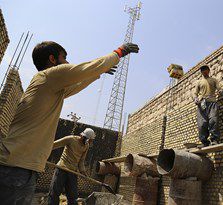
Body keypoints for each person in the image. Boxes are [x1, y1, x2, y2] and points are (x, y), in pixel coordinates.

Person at [0, 41, 139, 204]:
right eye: (64, 58)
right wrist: (119, 52)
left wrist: (97, 73)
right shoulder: (49, 76)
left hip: (22, 167)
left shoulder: (50, 88)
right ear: (52, 59)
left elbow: (78, 84)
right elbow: (86, 69)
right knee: (54, 194)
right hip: (15, 167)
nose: (67, 62)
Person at [48, 128, 95, 205]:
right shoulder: (70, 139)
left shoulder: (86, 146)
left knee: (73, 196)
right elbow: (54, 145)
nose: (90, 142)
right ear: (84, 137)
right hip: (62, 168)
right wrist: (42, 154)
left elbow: (81, 161)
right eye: (90, 140)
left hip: (73, 172)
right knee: (54, 193)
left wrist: (83, 172)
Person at [193, 65, 223, 147]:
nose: (204, 72)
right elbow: (195, 93)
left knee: (213, 120)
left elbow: (219, 88)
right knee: (202, 124)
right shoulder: (199, 82)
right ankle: (204, 142)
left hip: (212, 103)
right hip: (201, 105)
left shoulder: (214, 80)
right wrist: (196, 99)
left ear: (208, 71)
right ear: (201, 72)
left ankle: (214, 140)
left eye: (206, 70)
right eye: (202, 71)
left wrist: (220, 91)